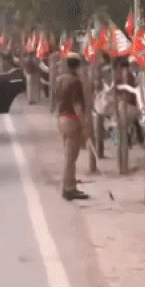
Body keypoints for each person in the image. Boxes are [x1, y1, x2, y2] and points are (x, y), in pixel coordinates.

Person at [55, 53, 90, 201]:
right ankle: (68, 188)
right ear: (78, 66)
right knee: (71, 157)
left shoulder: (59, 80)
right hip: (71, 119)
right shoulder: (75, 82)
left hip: (61, 118)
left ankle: (71, 186)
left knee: (69, 155)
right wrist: (84, 125)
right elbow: (77, 106)